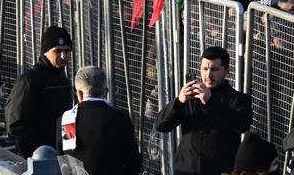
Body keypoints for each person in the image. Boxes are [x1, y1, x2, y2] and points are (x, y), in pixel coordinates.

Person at [154, 46, 254, 175]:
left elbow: (242, 125)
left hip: (220, 170)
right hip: (186, 170)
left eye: (214, 69)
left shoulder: (239, 99)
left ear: (227, 71)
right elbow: (161, 126)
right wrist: (179, 101)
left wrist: (210, 102)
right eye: (205, 69)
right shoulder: (190, 97)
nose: (208, 75)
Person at [57, 66, 142, 175]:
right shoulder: (120, 119)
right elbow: (134, 162)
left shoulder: (65, 120)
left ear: (79, 93)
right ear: (106, 92)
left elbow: (62, 161)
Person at [6, 25, 75, 156]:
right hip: (40, 156)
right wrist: (32, 155)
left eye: (66, 51)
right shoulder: (30, 80)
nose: (63, 56)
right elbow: (15, 123)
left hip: (58, 153)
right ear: (45, 52)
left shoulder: (61, 79)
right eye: (57, 51)